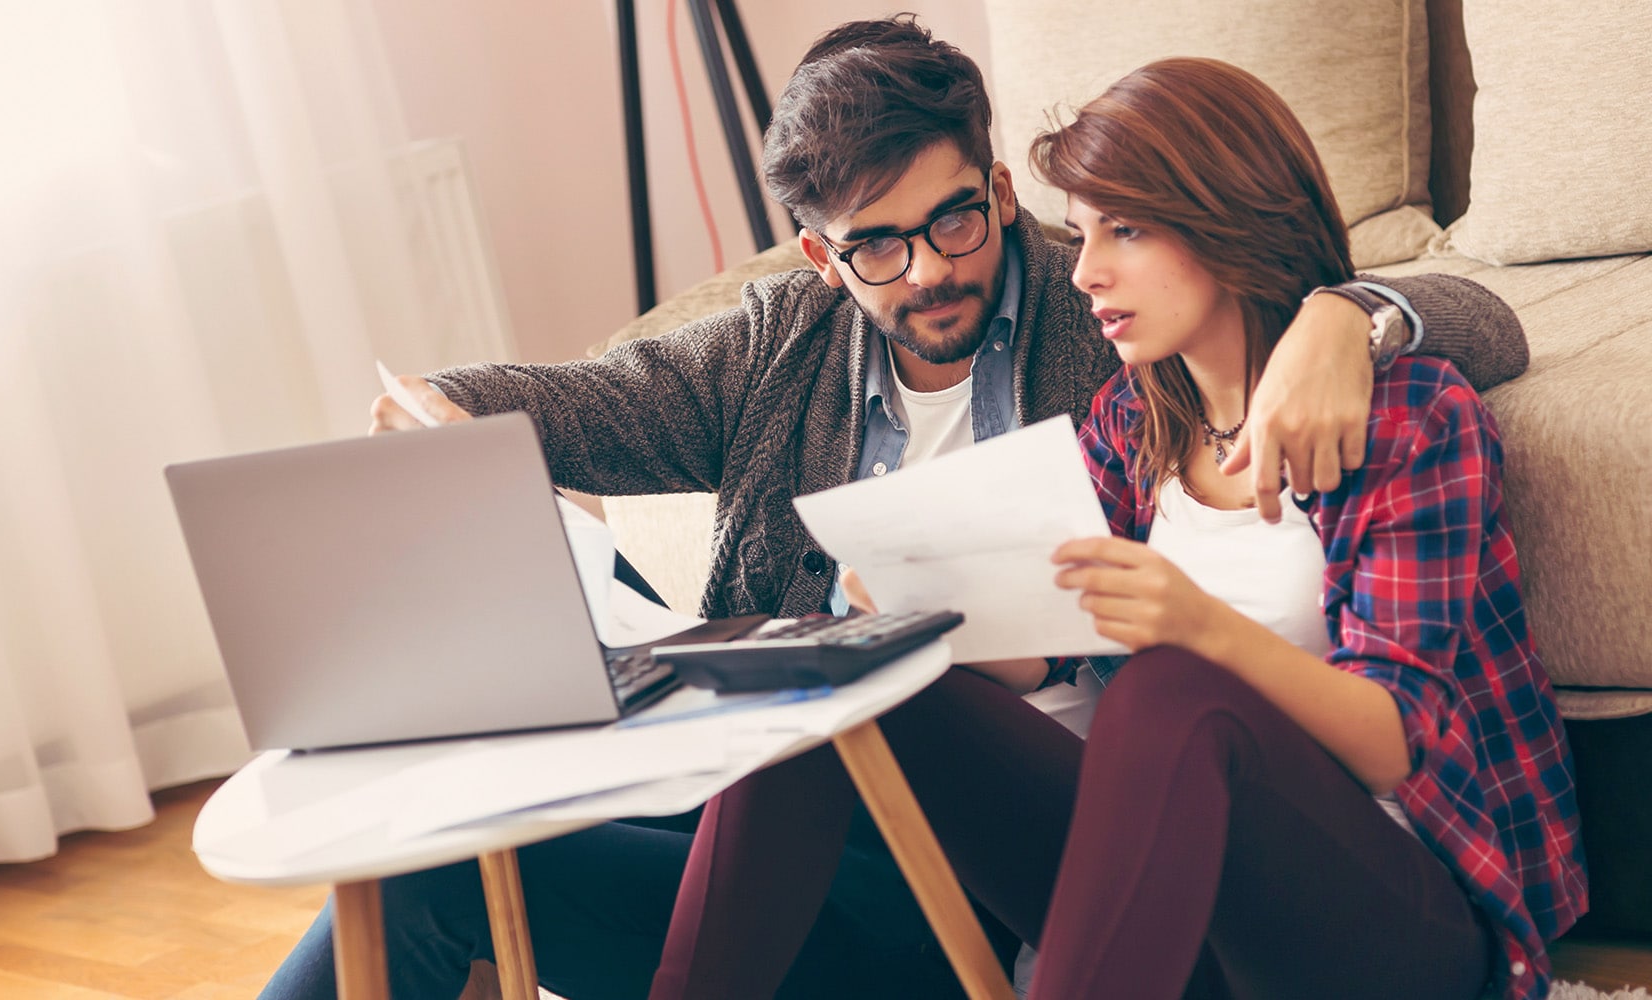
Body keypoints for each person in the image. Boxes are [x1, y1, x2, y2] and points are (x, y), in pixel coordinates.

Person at [259, 16, 1534, 999]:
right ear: (820, 254)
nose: (933, 268)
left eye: (960, 221)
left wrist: (1346, 315)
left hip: (1278, 873)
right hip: (878, 812)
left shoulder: (1130, 348)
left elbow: (1462, 315)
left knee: (1154, 690)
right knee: (443, 859)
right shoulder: (1110, 414)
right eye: (879, 244)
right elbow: (586, 399)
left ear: (995, 189)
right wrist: (435, 407)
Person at [658, 57, 1585, 1000]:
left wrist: (1192, 625)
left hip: (1400, 919)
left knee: (1170, 694)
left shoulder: (1408, 417)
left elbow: (1398, 744)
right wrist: (914, 605)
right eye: (1083, 232)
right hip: (1185, 907)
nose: (1088, 272)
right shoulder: (1131, 425)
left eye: (1128, 231)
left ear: (1232, 222)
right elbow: (1042, 662)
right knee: (822, 674)